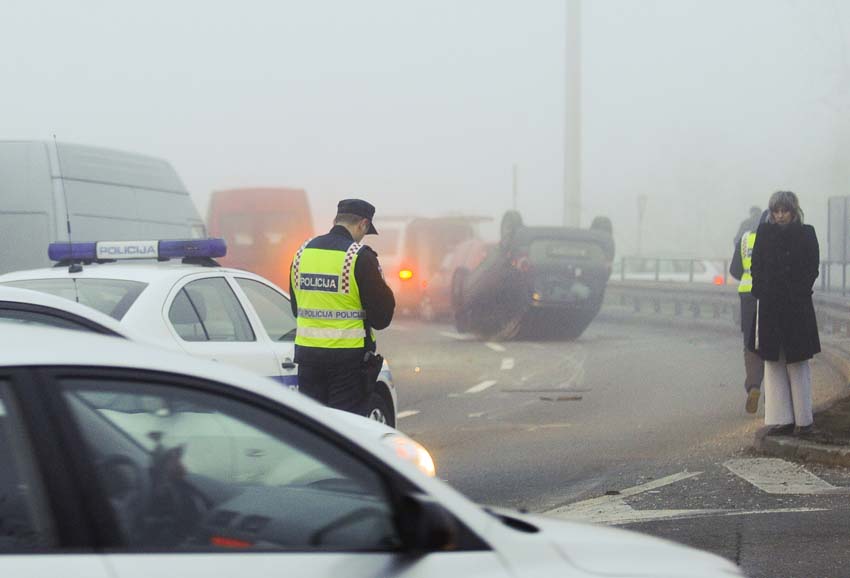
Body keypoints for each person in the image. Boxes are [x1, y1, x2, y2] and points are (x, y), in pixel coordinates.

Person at [289, 199, 395, 416]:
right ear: (363, 224)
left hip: (308, 357)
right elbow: (382, 318)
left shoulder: (302, 254)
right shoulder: (358, 257)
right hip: (348, 362)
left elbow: (295, 307)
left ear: (336, 220)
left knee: (313, 424)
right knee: (345, 425)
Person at [749, 191, 820, 435]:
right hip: (770, 306)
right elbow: (756, 265)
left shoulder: (806, 233)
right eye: (776, 211)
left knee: (798, 364)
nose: (780, 216)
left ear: (793, 211)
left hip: (796, 307)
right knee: (773, 364)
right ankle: (781, 419)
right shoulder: (764, 233)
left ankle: (804, 421)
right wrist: (760, 289)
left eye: (784, 211)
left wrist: (799, 291)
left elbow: (812, 267)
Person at [729, 207, 766, 414]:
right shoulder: (773, 238)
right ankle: (774, 394)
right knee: (771, 344)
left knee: (750, 344)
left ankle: (753, 386)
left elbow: (734, 270)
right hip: (769, 297)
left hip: (747, 296)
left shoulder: (744, 238)